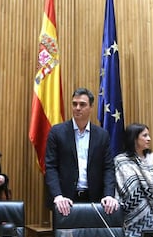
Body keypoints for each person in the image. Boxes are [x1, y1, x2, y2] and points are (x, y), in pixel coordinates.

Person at [45, 87, 119, 216]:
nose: (77, 108)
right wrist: (57, 195)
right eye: (74, 104)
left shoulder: (102, 135)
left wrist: (109, 194)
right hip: (65, 199)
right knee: (66, 236)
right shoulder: (57, 132)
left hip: (95, 198)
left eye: (82, 104)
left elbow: (108, 168)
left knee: (94, 236)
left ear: (91, 107)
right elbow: (51, 167)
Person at [114, 123, 153, 237]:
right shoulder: (121, 161)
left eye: (148, 135)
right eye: (145, 136)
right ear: (134, 138)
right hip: (132, 213)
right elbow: (123, 189)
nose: (149, 139)